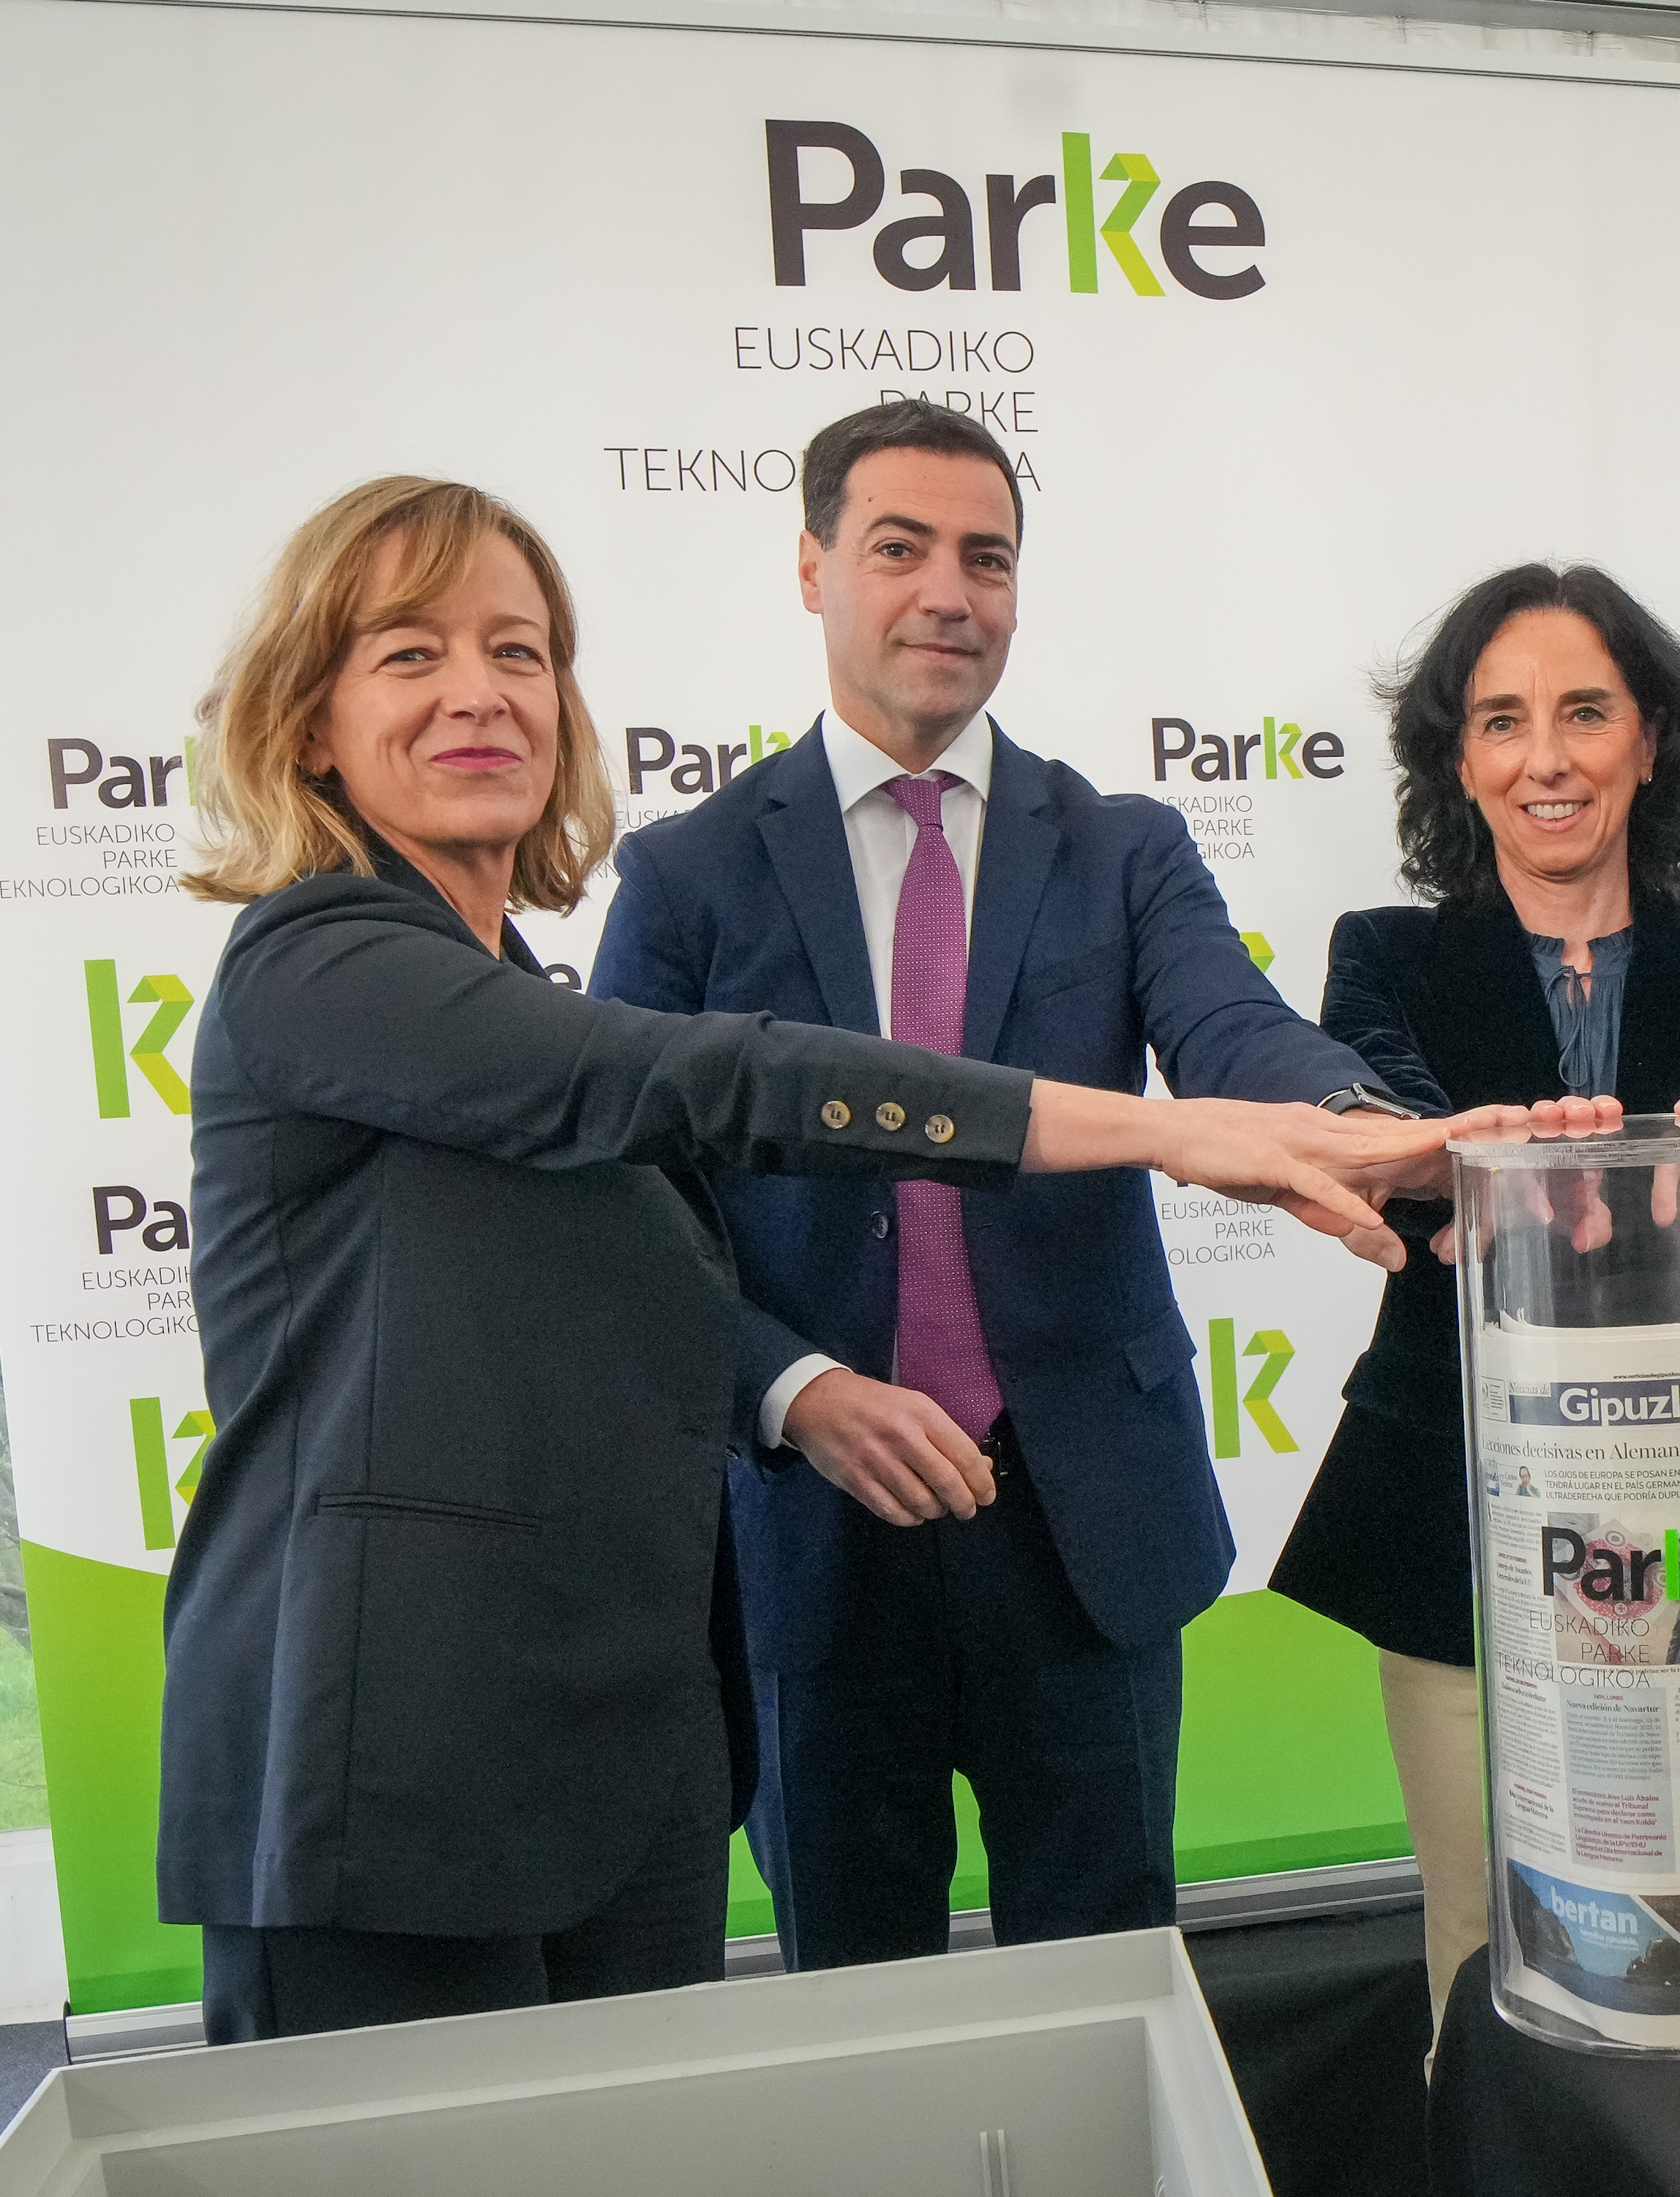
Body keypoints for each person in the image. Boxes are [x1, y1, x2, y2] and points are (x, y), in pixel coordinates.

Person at [164, 476, 1458, 2043]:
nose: (478, 692)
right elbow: (708, 1080)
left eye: (519, 652)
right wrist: (1154, 1133)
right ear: (308, 718)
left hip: (625, 1731)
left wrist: (1347, 1122)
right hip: (394, 1764)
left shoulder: (499, 968)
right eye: (407, 654)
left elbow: (651, 1257)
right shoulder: (324, 957)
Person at [590, 402, 1413, 1968]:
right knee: (858, 1997)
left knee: (1111, 1979)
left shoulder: (1121, 845)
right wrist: (796, 1388)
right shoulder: (689, 875)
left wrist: (1352, 1117)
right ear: (814, 569)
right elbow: (637, 1208)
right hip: (819, 1522)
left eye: (988, 557)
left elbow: (1231, 1026)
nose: (948, 593)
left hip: (1082, 1520)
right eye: (898, 549)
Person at [1266, 564, 1680, 2033]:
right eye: (1504, 720)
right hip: (1459, 1537)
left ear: (1650, 741)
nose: (1547, 757)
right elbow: (1384, 1126)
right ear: (1457, 759)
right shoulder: (1383, 957)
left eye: (1585, 712)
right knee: (1488, 1948)